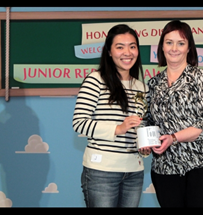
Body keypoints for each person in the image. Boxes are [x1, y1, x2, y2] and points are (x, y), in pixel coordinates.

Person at [147, 20, 203, 207]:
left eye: (181, 43)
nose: (174, 48)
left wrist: (173, 138)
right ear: (161, 47)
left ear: (189, 48)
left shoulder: (202, 78)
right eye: (169, 42)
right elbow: (149, 121)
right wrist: (146, 141)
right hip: (166, 171)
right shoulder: (153, 84)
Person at [72, 24, 151, 207]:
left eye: (132, 46)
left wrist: (145, 147)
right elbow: (79, 123)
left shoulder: (142, 88)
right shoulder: (95, 80)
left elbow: (141, 127)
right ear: (109, 51)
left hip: (134, 171)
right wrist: (118, 128)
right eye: (120, 47)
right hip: (102, 171)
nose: (127, 52)